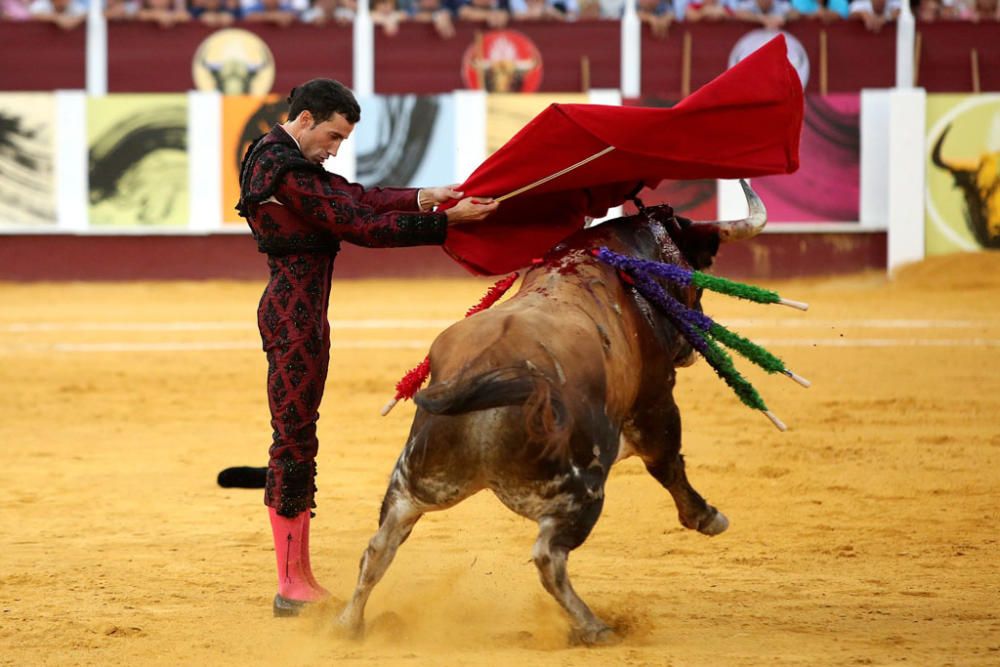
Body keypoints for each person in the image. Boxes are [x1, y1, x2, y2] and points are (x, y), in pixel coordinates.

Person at [235, 78, 497, 617]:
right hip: (294, 316)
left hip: (297, 311)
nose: (334, 150)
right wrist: (444, 224)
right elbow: (358, 223)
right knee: (292, 437)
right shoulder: (282, 168)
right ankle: (291, 584)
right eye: (331, 137)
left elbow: (354, 197)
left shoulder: (279, 157)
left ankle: (298, 577)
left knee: (297, 434)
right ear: (305, 119)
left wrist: (429, 196)